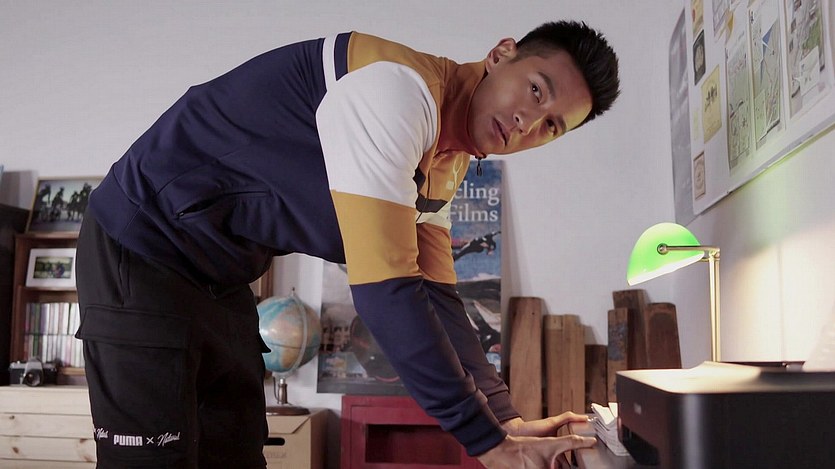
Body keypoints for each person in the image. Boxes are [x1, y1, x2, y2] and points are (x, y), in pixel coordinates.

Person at [74, 20, 620, 468]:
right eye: (536, 91)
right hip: (142, 246)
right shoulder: (396, 92)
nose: (528, 122)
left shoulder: (446, 162)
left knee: (235, 454)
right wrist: (485, 442)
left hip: (220, 277)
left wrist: (504, 419)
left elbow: (437, 299)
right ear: (501, 55)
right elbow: (386, 290)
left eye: (551, 126)